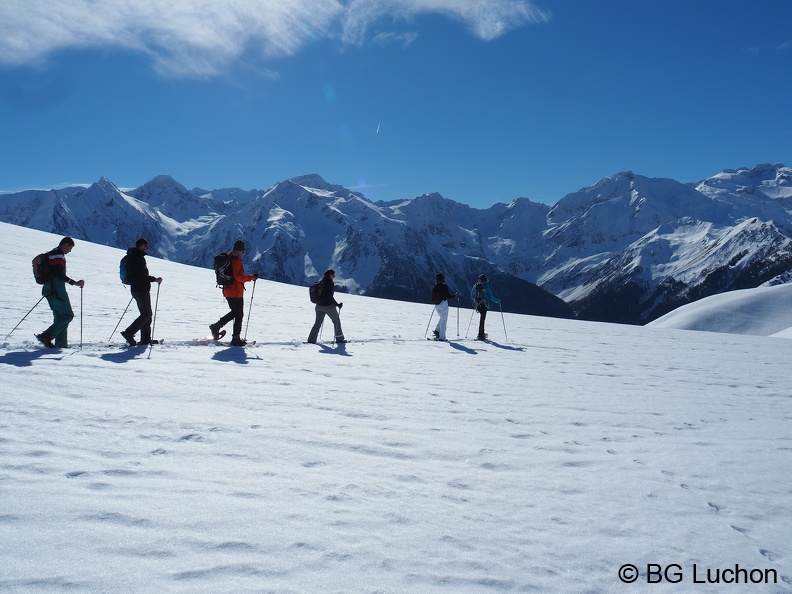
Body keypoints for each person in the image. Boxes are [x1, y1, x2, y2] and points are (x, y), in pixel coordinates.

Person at [35, 237, 85, 348]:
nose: (70, 251)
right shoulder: (58, 255)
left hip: (48, 290)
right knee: (68, 315)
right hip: (57, 290)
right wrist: (74, 283)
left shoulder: (51, 253)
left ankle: (61, 345)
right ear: (65, 244)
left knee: (60, 317)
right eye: (70, 248)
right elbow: (59, 273)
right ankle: (47, 335)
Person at [209, 240, 258, 346]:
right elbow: (239, 277)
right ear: (239, 251)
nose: (242, 254)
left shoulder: (228, 257)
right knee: (239, 314)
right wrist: (252, 277)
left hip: (227, 291)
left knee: (235, 313)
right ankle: (235, 338)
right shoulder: (237, 261)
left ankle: (217, 326)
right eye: (242, 252)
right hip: (236, 292)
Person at [120, 238, 163, 346]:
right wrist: (154, 279)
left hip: (136, 289)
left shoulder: (133, 256)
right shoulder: (137, 257)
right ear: (142, 246)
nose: (146, 248)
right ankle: (129, 333)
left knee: (146, 314)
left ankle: (145, 339)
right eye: (146, 246)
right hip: (141, 289)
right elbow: (140, 275)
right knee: (147, 314)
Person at [307, 268, 347, 344]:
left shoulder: (321, 282)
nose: (334, 276)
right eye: (333, 275)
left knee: (317, 323)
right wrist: (337, 304)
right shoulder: (330, 283)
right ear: (330, 275)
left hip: (318, 306)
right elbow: (329, 297)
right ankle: (339, 339)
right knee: (336, 322)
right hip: (328, 307)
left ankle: (311, 340)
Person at [470, 274, 499, 341]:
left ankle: (481, 333)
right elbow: (491, 297)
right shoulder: (486, 286)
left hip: (477, 304)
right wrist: (497, 301)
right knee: (482, 320)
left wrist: (476, 300)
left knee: (481, 320)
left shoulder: (475, 286)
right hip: (484, 305)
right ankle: (481, 335)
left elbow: (471, 296)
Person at [431, 273, 459, 341]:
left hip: (436, 305)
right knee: (444, 320)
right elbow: (447, 296)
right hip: (443, 304)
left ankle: (437, 330)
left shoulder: (434, 287)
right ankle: (442, 337)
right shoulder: (444, 286)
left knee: (442, 317)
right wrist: (455, 295)